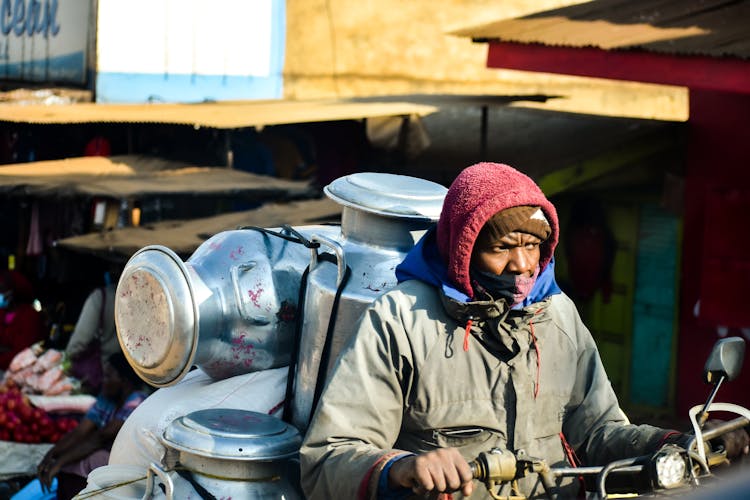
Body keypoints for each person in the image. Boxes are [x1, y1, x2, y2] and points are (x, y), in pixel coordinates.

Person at [299, 162, 748, 499]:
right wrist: (400, 468)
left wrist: (680, 443)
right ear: (463, 249)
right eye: (502, 248)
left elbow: (596, 433)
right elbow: (327, 458)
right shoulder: (402, 318)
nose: (523, 266)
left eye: (533, 246)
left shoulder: (557, 315)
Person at [35, 352, 148, 500]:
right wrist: (51, 455)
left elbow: (100, 438)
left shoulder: (137, 402)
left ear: (124, 381)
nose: (103, 381)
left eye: (108, 376)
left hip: (134, 468)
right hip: (108, 456)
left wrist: (60, 461)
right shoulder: (108, 398)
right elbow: (81, 431)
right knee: (71, 465)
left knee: (89, 460)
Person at [65, 267, 120, 394]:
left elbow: (79, 341)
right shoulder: (142, 296)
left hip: (101, 375)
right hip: (129, 379)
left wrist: (63, 364)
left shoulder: (101, 297)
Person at [0, 269, 44, 372]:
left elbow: (21, 353)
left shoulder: (30, 316)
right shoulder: (2, 313)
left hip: (19, 371)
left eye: (1, 290)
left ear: (12, 293)